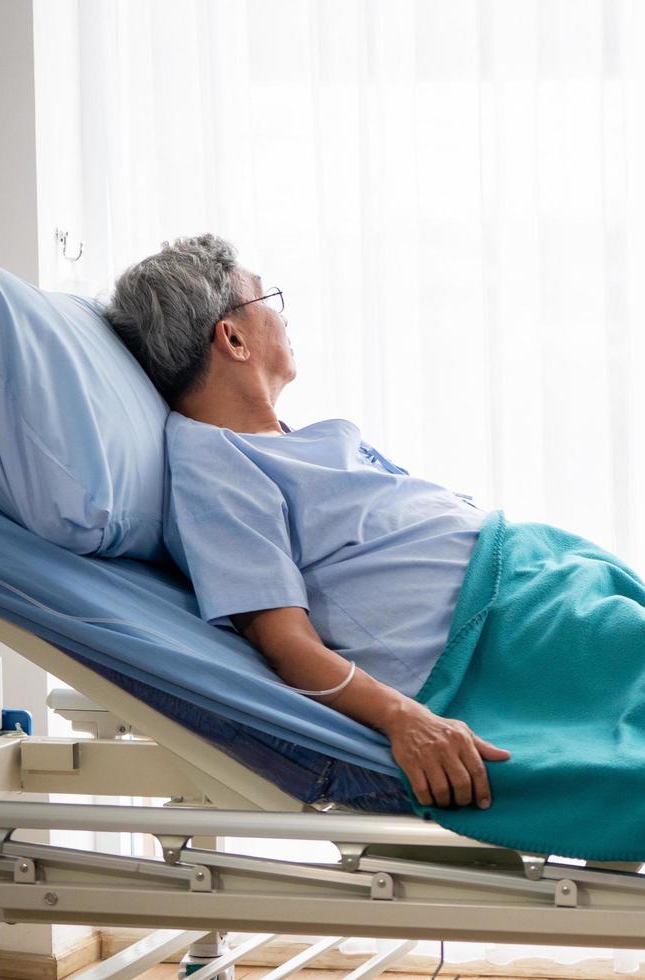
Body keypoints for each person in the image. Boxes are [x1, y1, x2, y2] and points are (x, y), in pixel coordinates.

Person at [106, 235, 506, 812]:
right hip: (491, 640)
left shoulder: (281, 441)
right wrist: (405, 719)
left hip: (527, 577)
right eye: (267, 298)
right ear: (233, 337)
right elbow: (286, 643)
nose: (283, 317)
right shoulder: (213, 463)